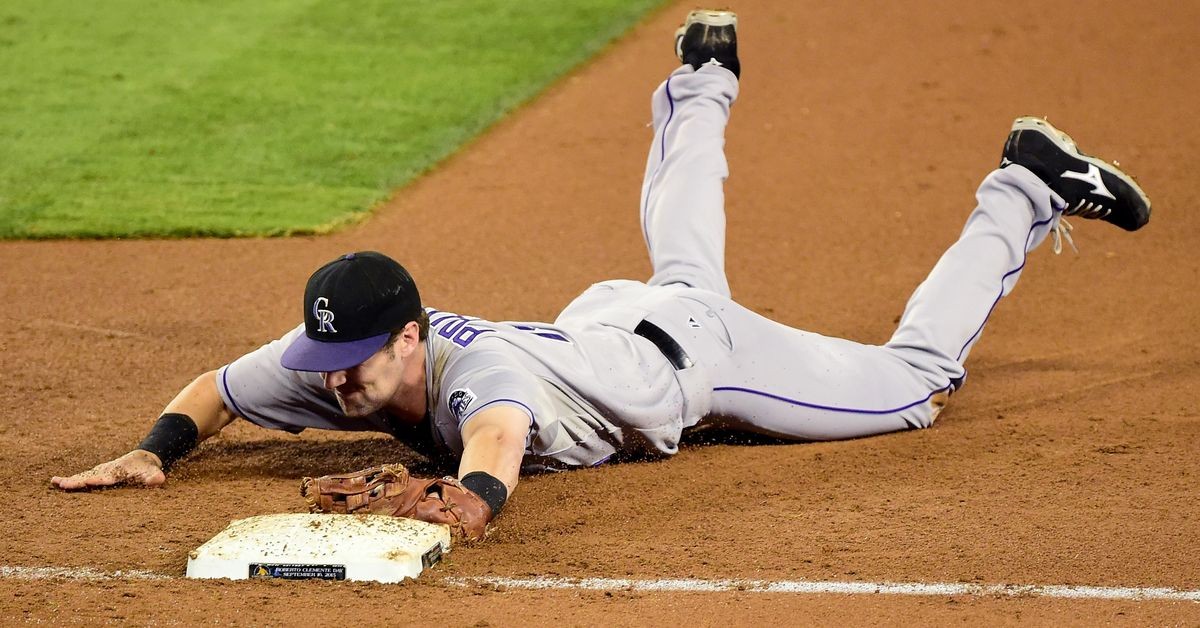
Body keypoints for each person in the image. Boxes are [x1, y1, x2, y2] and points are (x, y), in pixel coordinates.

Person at [52, 10, 1152, 536]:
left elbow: (493, 453)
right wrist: (156, 452)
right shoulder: (340, 360)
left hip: (695, 359)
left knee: (914, 385)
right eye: (325, 365)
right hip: (614, 325)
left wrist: (462, 505)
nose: (334, 385)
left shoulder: (482, 387)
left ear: (408, 336)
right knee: (679, 266)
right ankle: (703, 84)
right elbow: (220, 385)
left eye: (351, 366)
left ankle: (1023, 187)